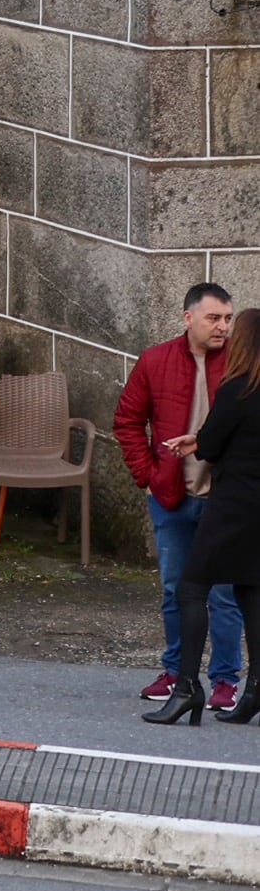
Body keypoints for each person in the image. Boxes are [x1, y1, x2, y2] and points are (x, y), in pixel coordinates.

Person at [117, 283, 245, 710]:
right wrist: (149, 476)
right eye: (213, 318)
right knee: (175, 589)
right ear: (188, 317)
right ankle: (176, 673)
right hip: (171, 495)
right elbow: (128, 421)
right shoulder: (156, 361)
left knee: (224, 594)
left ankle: (225, 680)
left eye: (228, 318)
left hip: (225, 501)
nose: (223, 327)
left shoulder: (242, 365)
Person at [144, 308, 260, 727]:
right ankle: (255, 689)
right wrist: (204, 440)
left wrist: (200, 440)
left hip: (231, 507)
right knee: (251, 592)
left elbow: (212, 444)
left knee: (192, 589)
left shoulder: (237, 389)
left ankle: (188, 688)